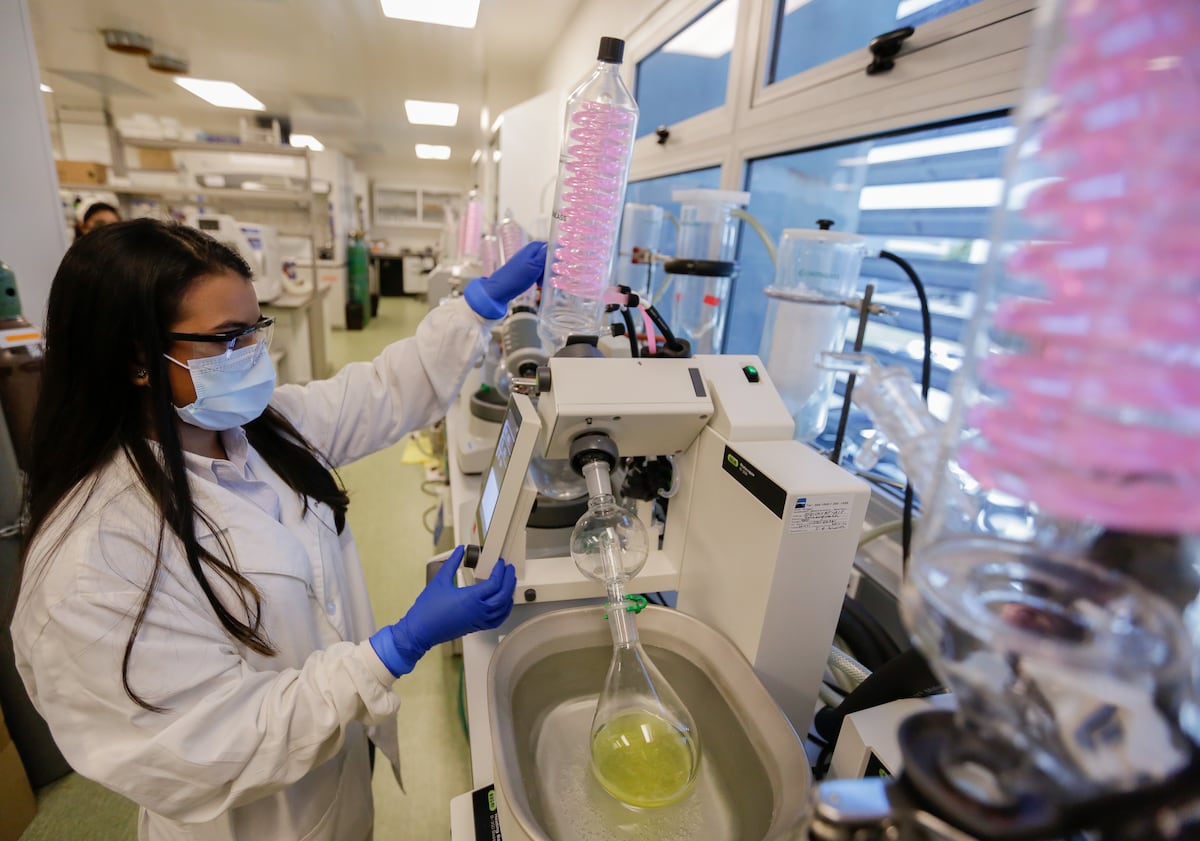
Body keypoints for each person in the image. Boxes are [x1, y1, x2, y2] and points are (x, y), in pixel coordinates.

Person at [10, 219, 548, 841]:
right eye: (227, 338)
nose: (253, 355)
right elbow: (212, 747)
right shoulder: (93, 565)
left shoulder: (257, 430)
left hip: (335, 775)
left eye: (254, 329)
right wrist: (396, 648)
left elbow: (377, 393)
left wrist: (477, 306)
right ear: (137, 359)